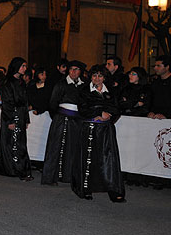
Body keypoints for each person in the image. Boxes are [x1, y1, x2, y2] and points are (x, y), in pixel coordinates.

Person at [75, 65, 125, 202]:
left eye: (100, 76)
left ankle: (113, 189)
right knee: (89, 159)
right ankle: (86, 188)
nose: (97, 79)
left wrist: (108, 116)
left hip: (106, 130)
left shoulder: (111, 91)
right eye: (94, 75)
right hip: (89, 128)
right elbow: (83, 109)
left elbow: (117, 108)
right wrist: (98, 112)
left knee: (109, 159)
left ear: (104, 77)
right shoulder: (83, 90)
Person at [41, 60, 86, 186]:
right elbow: (52, 103)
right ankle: (50, 177)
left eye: (76, 69)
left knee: (73, 148)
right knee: (56, 148)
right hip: (61, 119)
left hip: (77, 121)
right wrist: (58, 118)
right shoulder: (61, 84)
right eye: (71, 69)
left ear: (80, 72)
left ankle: (68, 176)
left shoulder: (84, 86)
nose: (73, 72)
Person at [0, 57, 32, 180]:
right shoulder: (8, 83)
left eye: (25, 66)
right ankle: (15, 169)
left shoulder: (21, 82)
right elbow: (7, 102)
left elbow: (25, 101)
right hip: (12, 115)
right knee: (12, 143)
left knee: (20, 142)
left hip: (21, 115)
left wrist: (26, 118)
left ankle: (21, 169)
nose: (25, 69)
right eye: (22, 66)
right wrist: (10, 120)